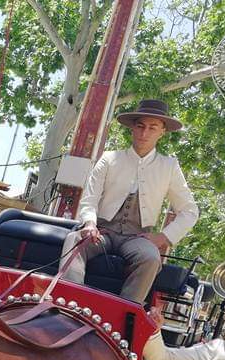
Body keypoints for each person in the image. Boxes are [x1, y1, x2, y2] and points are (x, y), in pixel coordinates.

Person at [59, 99, 199, 303]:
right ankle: (68, 304)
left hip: (137, 237)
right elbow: (90, 199)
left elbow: (190, 211)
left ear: (162, 132)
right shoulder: (109, 158)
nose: (144, 133)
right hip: (103, 232)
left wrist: (163, 237)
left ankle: (125, 313)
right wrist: (89, 223)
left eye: (152, 128)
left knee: (151, 258)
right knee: (75, 240)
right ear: (132, 128)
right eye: (140, 126)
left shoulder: (169, 166)